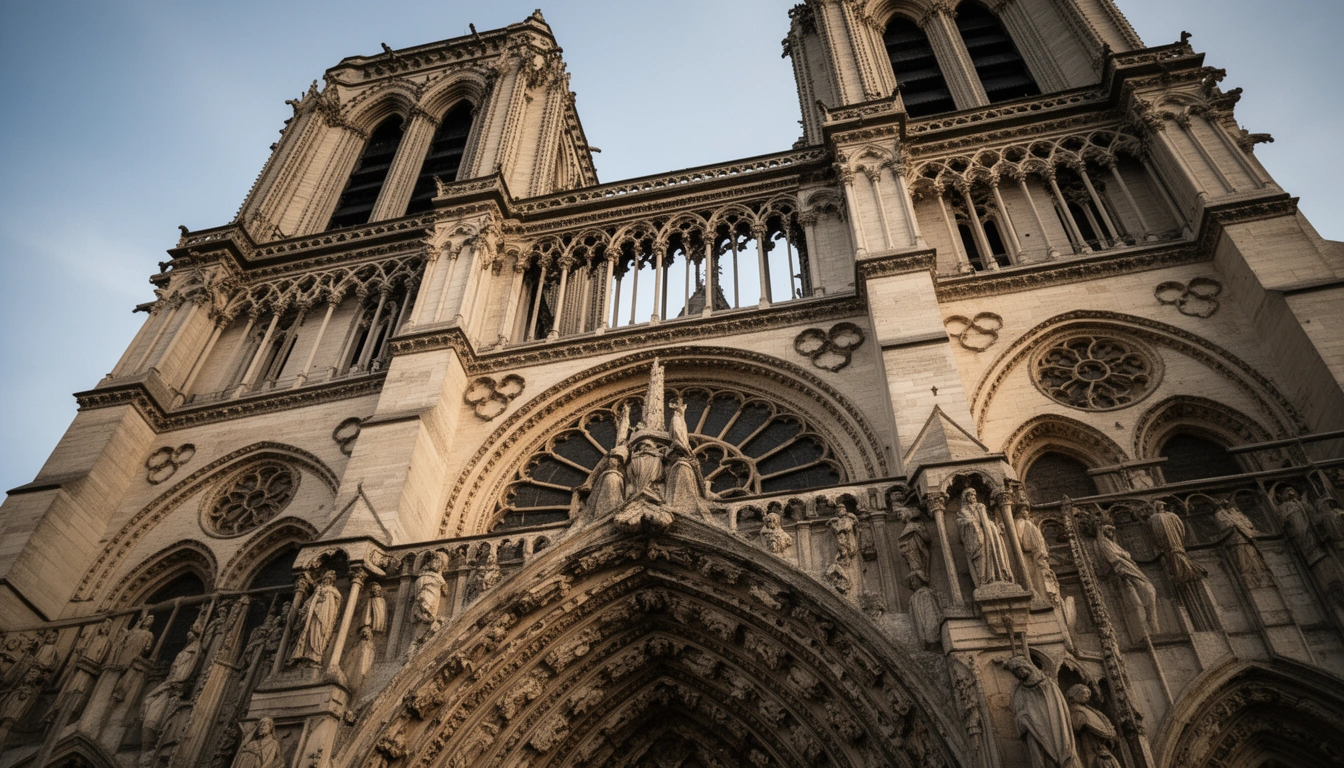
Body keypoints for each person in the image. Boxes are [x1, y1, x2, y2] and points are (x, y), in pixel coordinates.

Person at [1005, 655, 1077, 768]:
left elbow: (1058, 708)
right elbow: (1017, 711)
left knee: (1059, 747)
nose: (1020, 673)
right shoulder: (1019, 690)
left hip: (1053, 726)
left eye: (1020, 668)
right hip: (1033, 728)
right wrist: (1023, 719)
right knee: (1039, 753)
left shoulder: (1048, 684)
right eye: (1016, 672)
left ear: (1027, 666)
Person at [957, 489, 1014, 587]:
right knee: (981, 558)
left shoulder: (981, 506)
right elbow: (964, 522)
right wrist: (972, 524)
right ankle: (984, 580)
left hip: (990, 534)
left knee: (994, 553)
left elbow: (990, 519)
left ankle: (999, 576)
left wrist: (996, 525)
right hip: (977, 537)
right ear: (965, 498)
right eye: (970, 495)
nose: (973, 497)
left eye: (974, 495)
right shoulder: (963, 510)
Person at [290, 571, 342, 666]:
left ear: (332, 581)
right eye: (325, 579)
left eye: (328, 579)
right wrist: (305, 608)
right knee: (310, 631)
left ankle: (315, 656)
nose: (326, 581)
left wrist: (324, 603)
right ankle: (305, 655)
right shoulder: (318, 589)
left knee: (320, 632)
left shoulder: (333, 591)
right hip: (314, 614)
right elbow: (310, 600)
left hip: (324, 615)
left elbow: (335, 604)